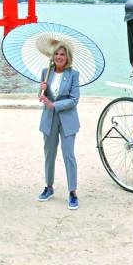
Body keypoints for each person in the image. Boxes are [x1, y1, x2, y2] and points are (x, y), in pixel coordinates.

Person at [37, 43, 81, 210]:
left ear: (67, 57)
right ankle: (49, 187)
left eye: (62, 54)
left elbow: (74, 99)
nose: (59, 57)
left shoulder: (73, 74)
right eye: (56, 54)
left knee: (68, 154)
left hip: (68, 120)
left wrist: (54, 105)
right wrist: (41, 90)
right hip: (49, 119)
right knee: (49, 154)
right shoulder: (45, 72)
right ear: (53, 56)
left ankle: (72, 192)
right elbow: (41, 97)